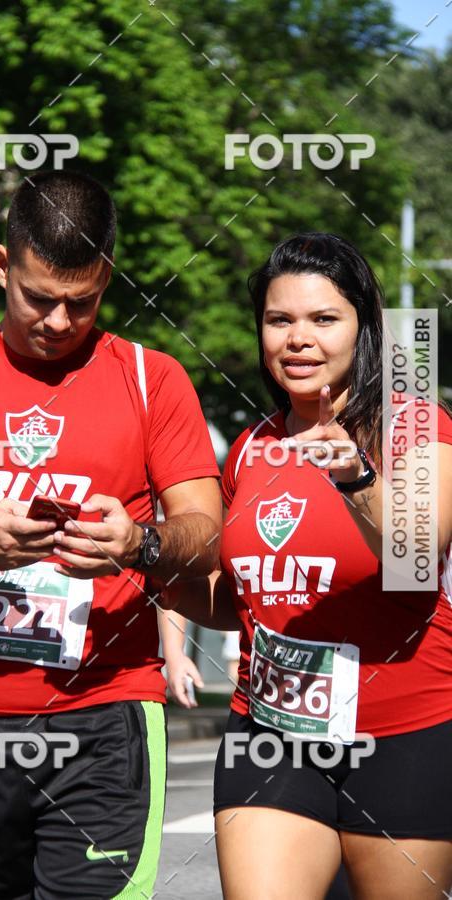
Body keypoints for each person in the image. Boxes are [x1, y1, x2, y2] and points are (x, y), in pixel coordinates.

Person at [0, 170, 221, 899]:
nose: (58, 321)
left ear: (107, 278)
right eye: (38, 297)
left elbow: (210, 533)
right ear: (2, 265)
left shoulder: (155, 380)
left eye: (80, 302)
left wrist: (139, 544)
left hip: (106, 717)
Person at [167, 233, 452, 899]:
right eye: (279, 320)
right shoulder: (251, 446)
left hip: (406, 735)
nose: (299, 339)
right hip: (271, 735)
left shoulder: (415, 428)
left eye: (324, 319)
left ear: (365, 329)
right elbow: (236, 602)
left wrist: (357, 477)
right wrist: (143, 562)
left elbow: (419, 549)